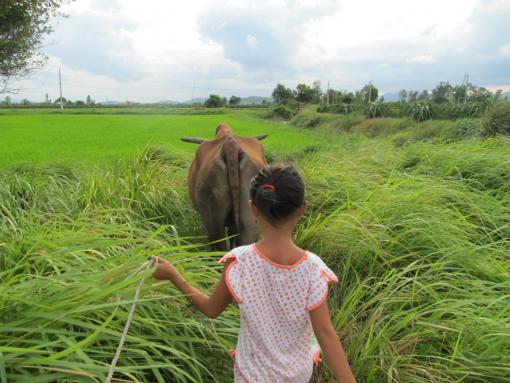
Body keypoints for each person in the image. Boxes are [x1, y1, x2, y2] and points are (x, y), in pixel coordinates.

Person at [152, 163, 356, 383]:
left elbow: (211, 309)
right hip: (296, 377)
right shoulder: (313, 269)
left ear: (253, 208)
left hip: (250, 377)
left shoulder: (239, 262)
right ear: (302, 209)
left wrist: (174, 275)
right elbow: (325, 334)